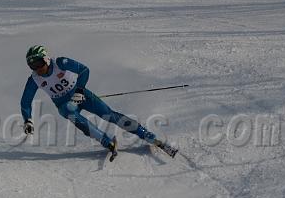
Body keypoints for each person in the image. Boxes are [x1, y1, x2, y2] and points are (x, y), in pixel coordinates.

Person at [20, 45, 177, 159]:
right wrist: (28, 120)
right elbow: (25, 101)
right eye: (32, 66)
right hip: (66, 105)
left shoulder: (60, 63)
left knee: (109, 115)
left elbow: (84, 70)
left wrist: (80, 90)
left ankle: (147, 135)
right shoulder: (34, 79)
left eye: (38, 63)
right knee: (71, 114)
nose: (37, 68)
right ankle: (107, 142)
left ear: (46, 59)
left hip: (82, 96)